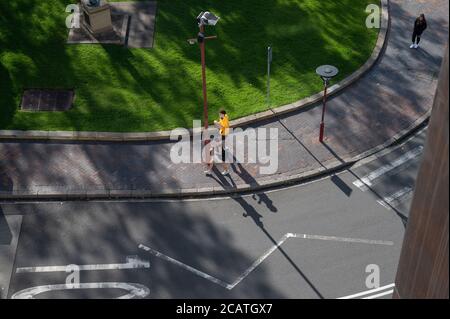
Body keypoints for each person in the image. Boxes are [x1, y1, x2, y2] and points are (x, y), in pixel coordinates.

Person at [214, 109, 230, 175]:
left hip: (224, 133)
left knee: (219, 143)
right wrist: (218, 122)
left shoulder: (225, 120)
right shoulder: (224, 116)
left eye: (220, 114)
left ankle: (226, 170)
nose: (219, 115)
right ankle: (223, 148)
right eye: (219, 114)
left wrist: (217, 123)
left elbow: (222, 127)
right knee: (220, 142)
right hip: (223, 133)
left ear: (223, 114)